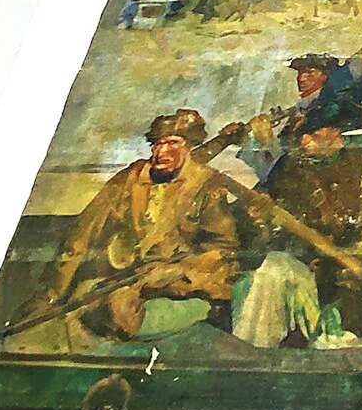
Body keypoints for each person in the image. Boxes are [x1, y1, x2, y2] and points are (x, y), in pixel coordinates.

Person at [35, 110, 238, 338]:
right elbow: (82, 235)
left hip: (184, 287)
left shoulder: (206, 184)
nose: (161, 152)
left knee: (119, 311)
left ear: (189, 146)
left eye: (172, 143)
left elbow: (224, 248)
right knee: (79, 305)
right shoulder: (131, 177)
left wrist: (180, 271)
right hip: (126, 277)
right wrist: (52, 294)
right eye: (156, 144)